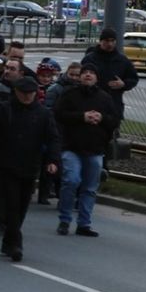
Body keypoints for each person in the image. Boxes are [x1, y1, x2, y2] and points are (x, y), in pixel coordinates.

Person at [0, 75, 60, 262]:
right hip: (7, 164)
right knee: (12, 204)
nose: (28, 97)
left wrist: (53, 160)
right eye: (24, 93)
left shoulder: (43, 114)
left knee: (21, 206)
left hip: (30, 165)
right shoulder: (4, 110)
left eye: (31, 93)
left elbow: (52, 138)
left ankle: (8, 240)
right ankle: (16, 244)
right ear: (16, 92)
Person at [53, 62, 120, 237]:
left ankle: (84, 223)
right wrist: (82, 117)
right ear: (80, 76)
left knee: (90, 188)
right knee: (71, 180)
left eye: (91, 73)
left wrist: (101, 118)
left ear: (97, 78)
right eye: (85, 72)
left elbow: (114, 121)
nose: (88, 75)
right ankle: (65, 220)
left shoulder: (105, 98)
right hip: (72, 147)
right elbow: (59, 114)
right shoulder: (69, 94)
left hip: (95, 149)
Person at [82, 27, 139, 122]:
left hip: (113, 106)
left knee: (111, 134)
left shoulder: (122, 60)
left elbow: (133, 78)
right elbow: (80, 78)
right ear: (101, 41)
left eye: (112, 41)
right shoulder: (90, 59)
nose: (110, 44)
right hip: (91, 104)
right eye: (106, 41)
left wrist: (123, 84)